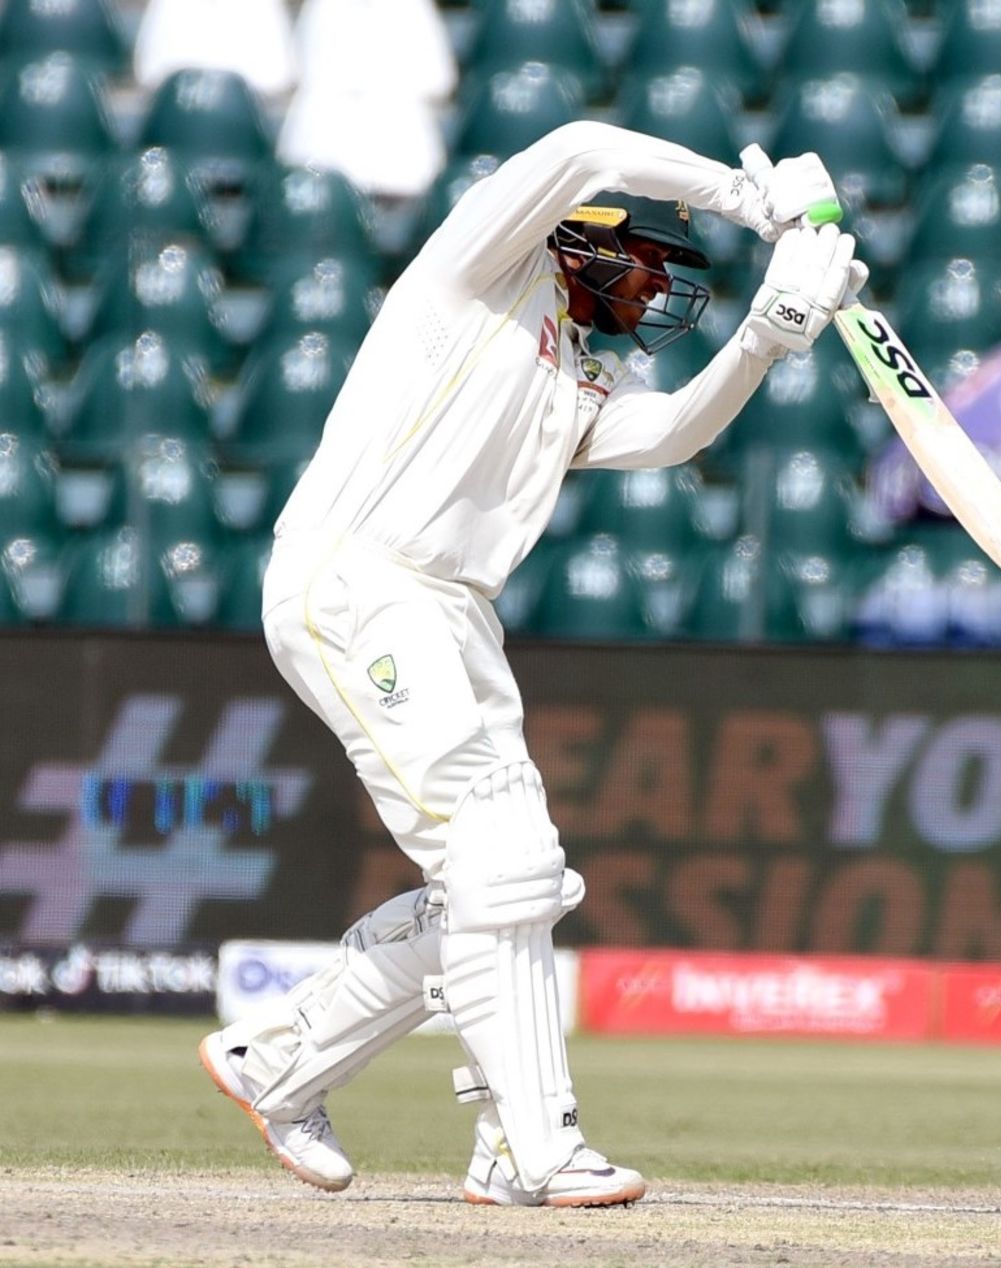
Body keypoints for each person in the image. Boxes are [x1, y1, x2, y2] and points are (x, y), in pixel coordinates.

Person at [197, 121, 864, 1207]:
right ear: (581, 246)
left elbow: (673, 436)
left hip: (454, 609)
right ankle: (533, 1144)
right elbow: (583, 144)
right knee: (497, 863)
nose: (654, 294)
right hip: (359, 578)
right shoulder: (475, 273)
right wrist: (751, 205)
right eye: (646, 265)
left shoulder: (572, 381)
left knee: (519, 879)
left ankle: (277, 1059)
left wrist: (764, 334)